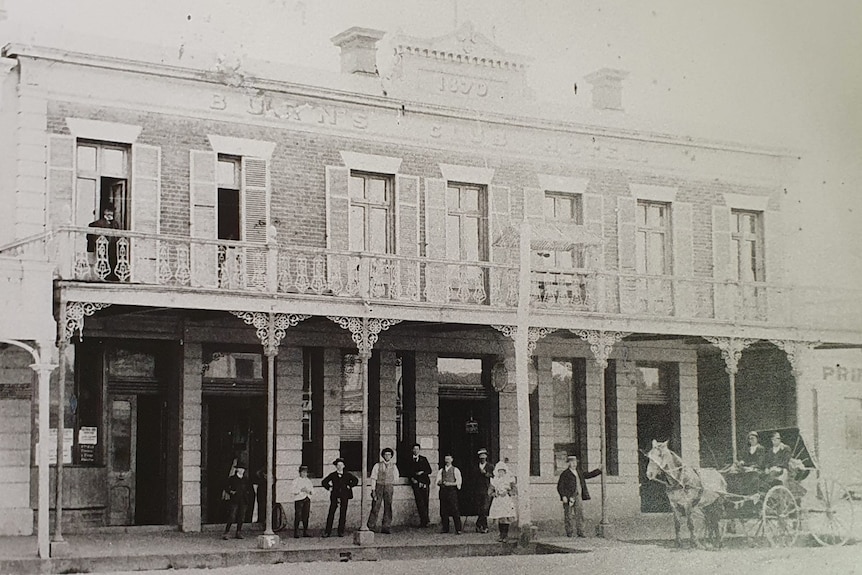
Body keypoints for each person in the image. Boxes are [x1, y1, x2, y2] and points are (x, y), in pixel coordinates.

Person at [556, 455, 601, 538]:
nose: (574, 464)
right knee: (568, 515)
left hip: (578, 496)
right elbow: (560, 486)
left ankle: (581, 532)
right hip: (569, 497)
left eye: (575, 462)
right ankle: (570, 533)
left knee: (580, 514)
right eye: (572, 462)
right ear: (568, 463)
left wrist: (598, 470)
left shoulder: (579, 472)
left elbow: (588, 475)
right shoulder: (565, 474)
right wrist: (563, 496)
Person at [321, 458, 358, 537]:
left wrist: (349, 486)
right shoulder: (333, 475)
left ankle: (341, 531)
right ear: (336, 466)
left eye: (341, 465)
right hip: (335, 496)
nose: (339, 467)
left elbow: (356, 480)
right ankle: (327, 531)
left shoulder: (347, 474)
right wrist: (329, 487)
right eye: (338, 465)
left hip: (344, 496)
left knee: (343, 513)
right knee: (331, 513)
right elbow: (324, 482)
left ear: (344, 466)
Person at [367, 447, 399, 534]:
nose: (387, 456)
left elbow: (396, 478)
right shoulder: (377, 465)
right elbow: (373, 478)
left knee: (388, 506)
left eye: (389, 455)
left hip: (388, 487)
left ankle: (386, 526)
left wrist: (390, 482)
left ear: (391, 456)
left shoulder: (394, 466)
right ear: (383, 456)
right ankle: (371, 525)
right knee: (375, 506)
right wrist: (373, 490)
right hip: (379, 487)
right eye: (386, 454)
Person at [86, 204, 122, 281]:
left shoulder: (115, 223)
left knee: (112, 260)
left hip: (112, 245)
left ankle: (112, 276)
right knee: (102, 261)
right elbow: (91, 230)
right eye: (108, 211)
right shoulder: (98, 223)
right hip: (102, 246)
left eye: (111, 211)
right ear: (104, 212)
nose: (110, 213)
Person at [223, 454, 252, 540]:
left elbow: (249, 489)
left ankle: (238, 532)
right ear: (237, 469)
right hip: (234, 499)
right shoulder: (232, 478)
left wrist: (247, 495)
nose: (241, 470)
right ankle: (226, 532)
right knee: (232, 516)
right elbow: (225, 487)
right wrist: (231, 492)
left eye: (243, 469)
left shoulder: (246, 479)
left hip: (243, 500)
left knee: (241, 517)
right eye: (240, 469)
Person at [404, 443, 432, 527]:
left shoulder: (424, 459)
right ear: (412, 450)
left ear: (419, 450)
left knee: (425, 501)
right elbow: (407, 472)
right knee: (419, 502)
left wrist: (422, 472)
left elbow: (429, 470)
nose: (416, 451)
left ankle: (425, 521)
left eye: (417, 449)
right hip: (415, 483)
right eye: (414, 449)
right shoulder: (409, 460)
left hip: (424, 482)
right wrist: (412, 479)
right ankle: (424, 520)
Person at [487, 462, 517, 542]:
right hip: (498, 500)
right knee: (500, 517)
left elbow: (514, 489)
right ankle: (501, 534)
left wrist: (508, 492)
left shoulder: (509, 480)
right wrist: (495, 493)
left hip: (506, 500)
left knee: (506, 517)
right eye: (499, 471)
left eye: (503, 471)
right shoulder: (495, 480)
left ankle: (505, 535)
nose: (501, 473)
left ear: (505, 472)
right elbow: (490, 491)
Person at [435, 454, 463, 534]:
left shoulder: (455, 470)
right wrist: (440, 482)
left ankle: (458, 528)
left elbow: (459, 482)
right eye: (446, 459)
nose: (447, 461)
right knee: (443, 510)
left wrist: (450, 484)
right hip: (443, 491)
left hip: (451, 491)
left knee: (454, 509)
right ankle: (445, 528)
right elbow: (437, 481)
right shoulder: (441, 470)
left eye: (448, 459)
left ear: (452, 460)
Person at [473, 448, 495, 533]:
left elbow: (493, 476)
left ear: (486, 457)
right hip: (478, 489)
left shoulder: (490, 466)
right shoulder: (476, 466)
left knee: (485, 508)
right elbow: (473, 477)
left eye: (484, 457)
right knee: (480, 508)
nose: (482, 459)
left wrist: (486, 473)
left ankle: (480, 525)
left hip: (487, 489)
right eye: (481, 457)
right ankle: (482, 526)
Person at [291, 465, 313, 538]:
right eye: (303, 472)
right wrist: (300, 490)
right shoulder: (296, 481)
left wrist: (309, 491)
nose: (304, 474)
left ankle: (305, 531)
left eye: (305, 472)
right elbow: (292, 490)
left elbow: (312, 490)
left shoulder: (308, 481)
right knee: (298, 515)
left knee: (306, 515)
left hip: (306, 499)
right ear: (300, 473)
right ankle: (296, 532)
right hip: (299, 499)